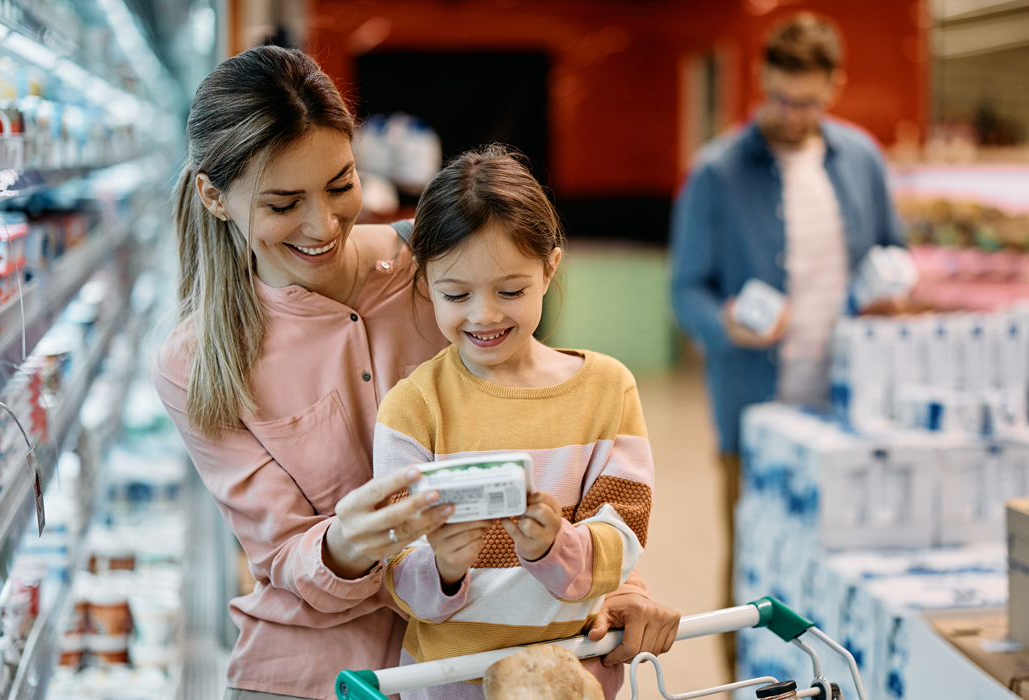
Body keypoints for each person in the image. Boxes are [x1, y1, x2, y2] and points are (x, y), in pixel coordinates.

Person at [153, 45, 681, 700]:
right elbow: (282, 552)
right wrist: (346, 544)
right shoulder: (196, 361)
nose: (323, 225)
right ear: (214, 196)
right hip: (317, 674)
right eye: (284, 204)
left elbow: (565, 442)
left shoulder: (438, 272)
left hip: (492, 666)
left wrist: (618, 583)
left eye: (341, 185)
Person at [373, 146, 655, 700]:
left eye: (511, 291)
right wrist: (444, 569)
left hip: (569, 676)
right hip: (446, 682)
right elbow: (393, 564)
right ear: (425, 280)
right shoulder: (412, 406)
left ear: (550, 267)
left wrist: (554, 547)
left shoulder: (606, 389)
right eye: (456, 294)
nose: (484, 315)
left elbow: (624, 537)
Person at [669, 13, 904, 668]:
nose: (792, 115)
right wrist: (726, 325)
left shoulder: (861, 158)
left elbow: (894, 252)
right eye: (778, 98)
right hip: (756, 415)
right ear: (761, 81)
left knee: (841, 561)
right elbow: (685, 291)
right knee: (753, 565)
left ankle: (827, 677)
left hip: (850, 411)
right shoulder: (715, 173)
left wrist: (894, 292)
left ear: (834, 87)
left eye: (807, 102)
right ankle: (741, 681)